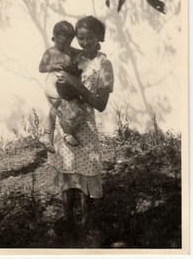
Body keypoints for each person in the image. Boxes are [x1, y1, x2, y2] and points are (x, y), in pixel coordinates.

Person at [48, 15, 114, 230]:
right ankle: (67, 220)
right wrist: (60, 86)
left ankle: (87, 224)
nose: (84, 43)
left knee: (86, 173)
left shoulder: (104, 65)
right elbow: (61, 87)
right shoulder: (74, 58)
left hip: (85, 127)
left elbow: (101, 104)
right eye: (80, 38)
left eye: (89, 38)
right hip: (65, 123)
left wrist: (75, 83)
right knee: (66, 171)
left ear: (99, 37)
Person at [39, 21, 84, 153]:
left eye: (68, 42)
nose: (65, 46)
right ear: (54, 38)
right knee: (58, 103)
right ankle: (51, 135)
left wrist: (93, 53)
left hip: (65, 84)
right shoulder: (50, 52)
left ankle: (63, 133)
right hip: (52, 81)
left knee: (73, 106)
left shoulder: (71, 51)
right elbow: (41, 68)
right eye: (61, 43)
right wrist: (52, 66)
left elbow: (81, 52)